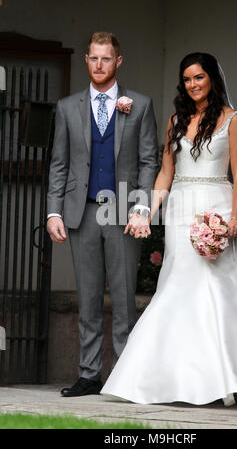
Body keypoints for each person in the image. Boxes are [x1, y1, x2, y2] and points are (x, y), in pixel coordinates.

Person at [101, 52, 237, 407]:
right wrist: (145, 211)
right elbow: (166, 172)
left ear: (212, 78)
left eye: (199, 77)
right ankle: (173, 380)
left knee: (218, 290)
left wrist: (234, 218)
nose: (193, 84)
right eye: (187, 79)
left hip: (216, 204)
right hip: (180, 209)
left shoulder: (234, 121)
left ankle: (233, 378)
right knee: (176, 288)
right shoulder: (175, 121)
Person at [47, 32, 158, 397]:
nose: (98, 65)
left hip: (124, 212)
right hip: (82, 213)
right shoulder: (67, 107)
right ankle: (89, 374)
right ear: (86, 61)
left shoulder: (139, 105)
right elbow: (59, 165)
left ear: (118, 61)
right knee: (89, 298)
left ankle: (126, 375)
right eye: (93, 58)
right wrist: (53, 212)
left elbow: (147, 161)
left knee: (125, 299)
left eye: (106, 59)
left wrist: (142, 207)